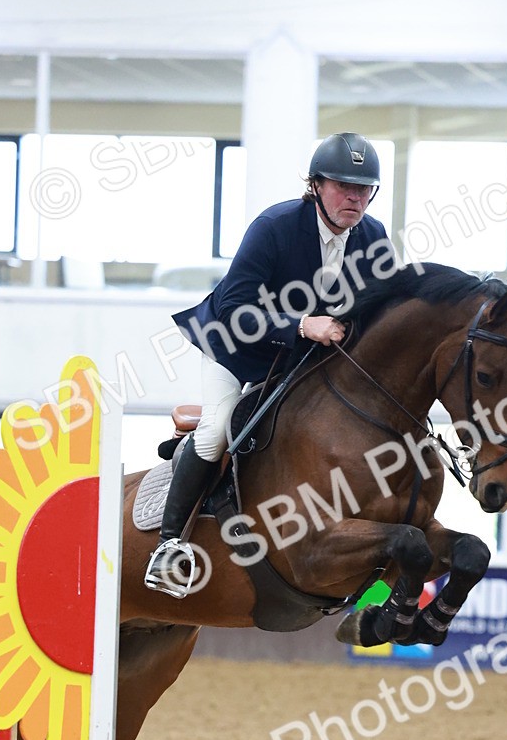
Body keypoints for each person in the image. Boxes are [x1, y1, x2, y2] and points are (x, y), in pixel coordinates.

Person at [145, 131, 393, 596]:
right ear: (316, 185)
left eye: (364, 190)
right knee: (218, 426)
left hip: (302, 360)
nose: (355, 198)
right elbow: (236, 307)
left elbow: (383, 309)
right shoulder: (275, 226)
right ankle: (168, 545)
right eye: (344, 186)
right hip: (236, 346)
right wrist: (302, 325)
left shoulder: (373, 237)